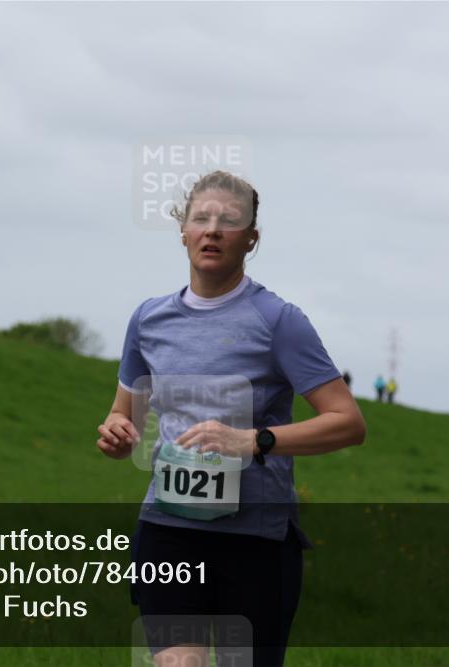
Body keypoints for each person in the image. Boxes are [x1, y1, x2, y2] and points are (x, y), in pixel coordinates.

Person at [96, 171, 367, 667]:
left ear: (251, 239)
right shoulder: (149, 319)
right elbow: (124, 412)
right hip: (168, 526)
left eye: (229, 221)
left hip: (255, 538)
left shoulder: (278, 321)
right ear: (183, 233)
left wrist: (254, 440)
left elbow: (347, 422)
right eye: (201, 218)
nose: (213, 230)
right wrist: (116, 432)